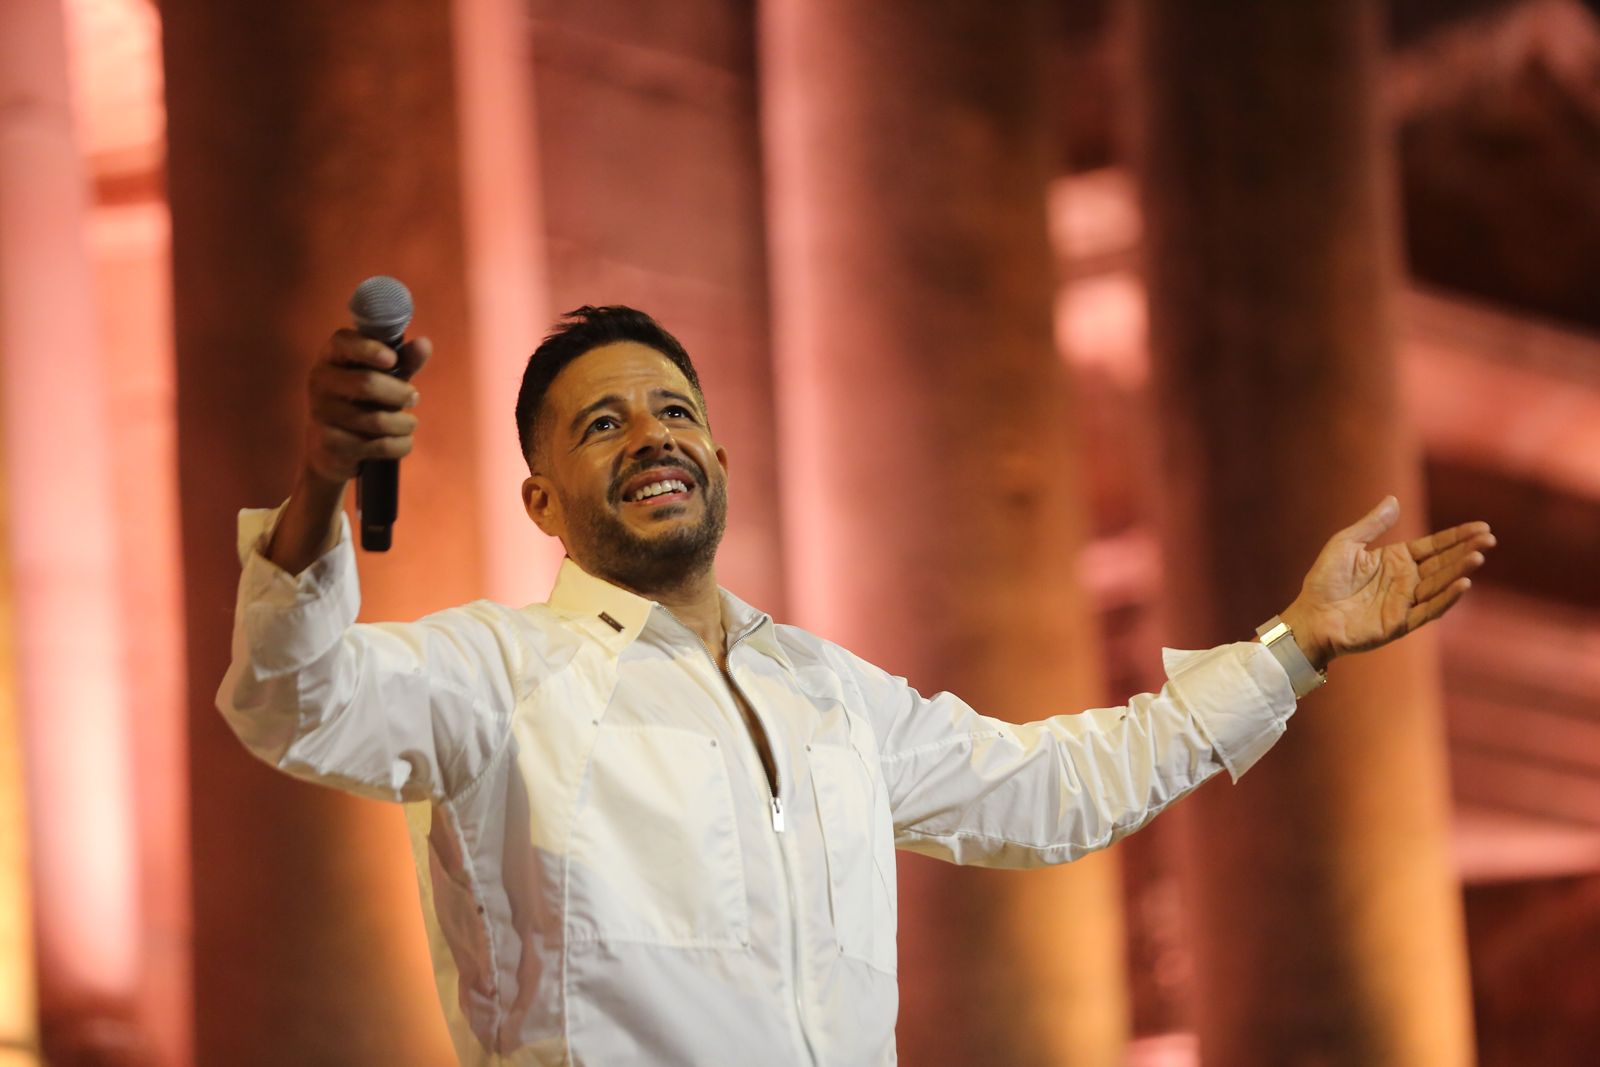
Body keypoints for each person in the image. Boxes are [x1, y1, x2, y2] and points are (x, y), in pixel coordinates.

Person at [219, 305, 1494, 1066]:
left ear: (719, 459)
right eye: (602, 423)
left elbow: (1058, 787)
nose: (651, 433)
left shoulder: (823, 687)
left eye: (672, 410)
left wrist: (1293, 644)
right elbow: (296, 695)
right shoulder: (493, 672)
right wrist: (325, 479)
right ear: (540, 500)